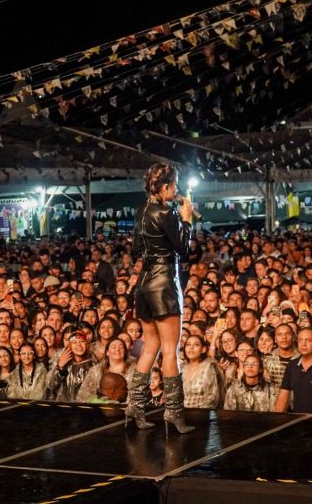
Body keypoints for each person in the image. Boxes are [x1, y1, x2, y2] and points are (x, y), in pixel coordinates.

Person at [126, 163, 195, 434]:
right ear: (165, 187)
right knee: (169, 349)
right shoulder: (166, 211)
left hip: (143, 284)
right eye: (174, 185)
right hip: (164, 283)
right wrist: (186, 219)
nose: (176, 190)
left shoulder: (141, 210)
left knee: (149, 345)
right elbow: (183, 247)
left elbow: (134, 248)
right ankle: (174, 413)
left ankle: (134, 407)